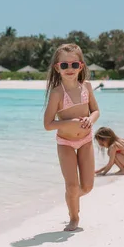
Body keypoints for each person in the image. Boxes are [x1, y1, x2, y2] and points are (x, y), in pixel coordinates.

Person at [43, 43, 100, 231]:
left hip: (85, 140)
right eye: (64, 65)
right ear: (57, 68)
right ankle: (74, 217)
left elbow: (96, 110)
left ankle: (71, 197)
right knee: (72, 185)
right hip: (65, 143)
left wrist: (91, 120)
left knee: (88, 187)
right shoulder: (57, 93)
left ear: (81, 66)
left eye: (74, 65)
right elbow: (48, 124)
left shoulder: (87, 87)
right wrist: (71, 122)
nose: (69, 69)